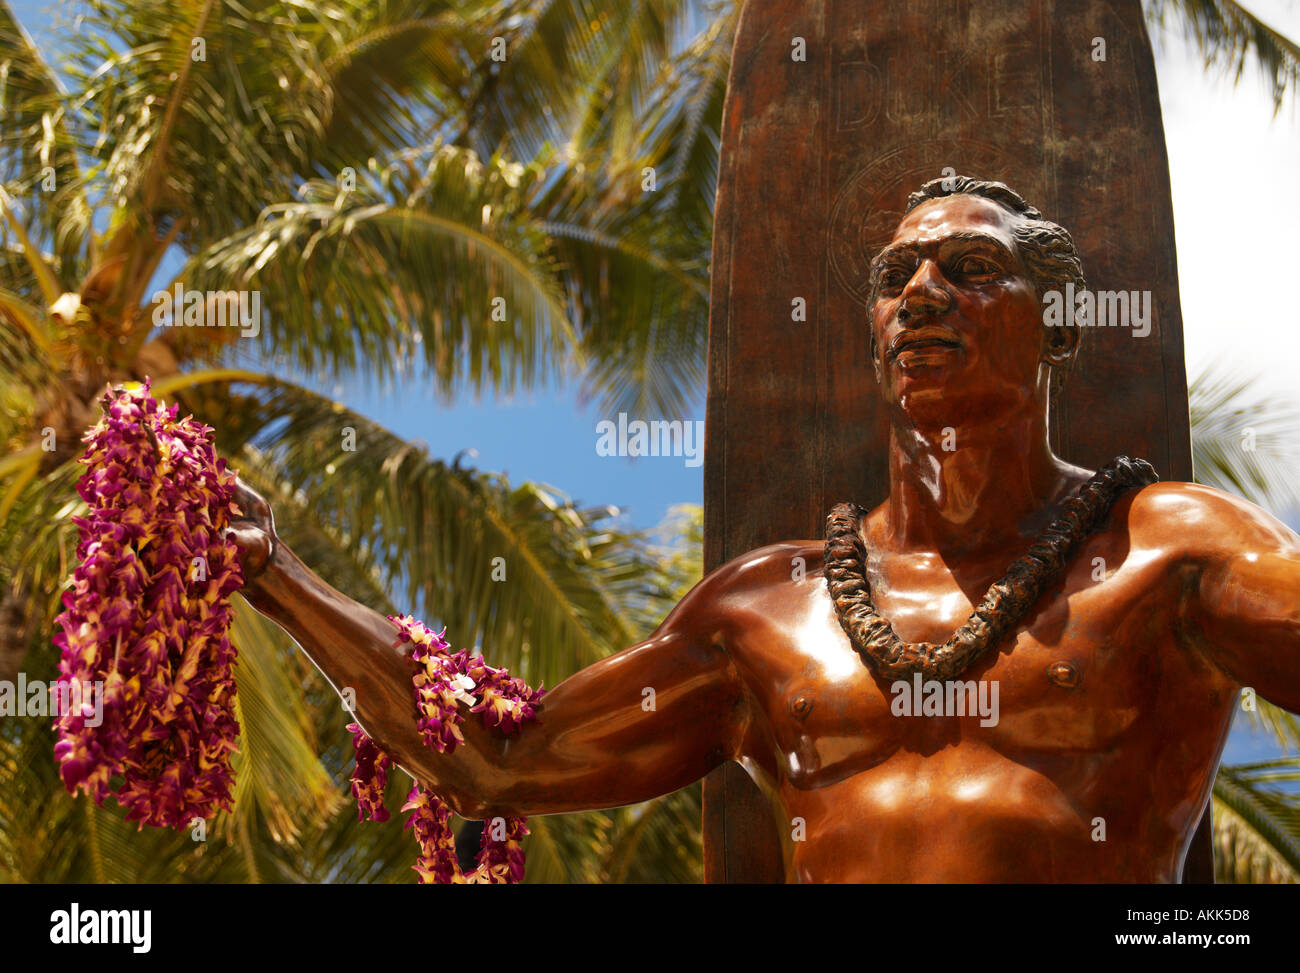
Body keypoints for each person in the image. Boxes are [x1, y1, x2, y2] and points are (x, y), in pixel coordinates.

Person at [230, 176, 1300, 882]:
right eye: (894, 280)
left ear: (1056, 323)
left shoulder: (1167, 552)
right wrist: (273, 572)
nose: (920, 293)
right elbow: (501, 758)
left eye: (970, 269)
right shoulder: (768, 607)